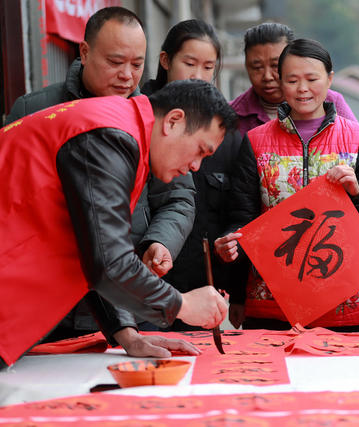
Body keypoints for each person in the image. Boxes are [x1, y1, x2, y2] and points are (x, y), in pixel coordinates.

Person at [0, 79, 235, 368]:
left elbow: (92, 243)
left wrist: (127, 334)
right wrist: (182, 305)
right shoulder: (111, 136)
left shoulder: (121, 131)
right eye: (200, 150)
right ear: (173, 121)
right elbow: (109, 262)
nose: (196, 166)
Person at [6, 7, 197, 347]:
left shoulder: (151, 119)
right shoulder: (35, 110)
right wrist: (181, 305)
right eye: (115, 61)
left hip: (121, 295)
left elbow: (176, 199)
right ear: (84, 52)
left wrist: (159, 242)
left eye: (137, 64)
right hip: (40, 304)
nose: (127, 75)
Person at [215, 38, 359, 332]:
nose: (303, 89)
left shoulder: (358, 139)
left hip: (342, 300)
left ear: (330, 79)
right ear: (281, 83)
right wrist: (231, 243)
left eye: (312, 79)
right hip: (271, 301)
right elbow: (242, 219)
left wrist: (358, 193)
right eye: (292, 80)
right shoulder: (256, 141)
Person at [140, 19, 246, 331]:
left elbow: (238, 210)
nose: (198, 76)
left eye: (208, 67)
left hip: (200, 283)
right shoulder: (138, 120)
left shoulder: (226, 134)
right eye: (189, 63)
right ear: (164, 61)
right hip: (144, 278)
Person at [230, 22, 357, 138]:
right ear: (246, 66)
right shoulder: (233, 115)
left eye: (275, 65)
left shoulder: (331, 102)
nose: (267, 76)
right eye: (257, 67)